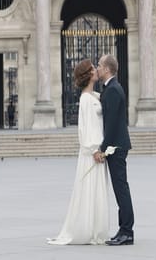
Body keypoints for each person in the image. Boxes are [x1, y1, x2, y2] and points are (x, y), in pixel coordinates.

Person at [47, 59, 109, 245]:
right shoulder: (85, 99)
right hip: (92, 152)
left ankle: (94, 228)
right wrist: (94, 149)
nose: (96, 70)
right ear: (88, 74)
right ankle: (88, 229)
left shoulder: (94, 96)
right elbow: (85, 128)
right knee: (90, 189)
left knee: (95, 190)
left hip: (96, 150)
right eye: (93, 68)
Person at [94, 54, 135, 246]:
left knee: (121, 189)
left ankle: (126, 231)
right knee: (121, 188)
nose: (98, 68)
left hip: (116, 146)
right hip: (118, 145)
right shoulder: (112, 88)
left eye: (100, 65)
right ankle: (124, 230)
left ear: (108, 69)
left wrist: (103, 149)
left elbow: (110, 125)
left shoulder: (112, 90)